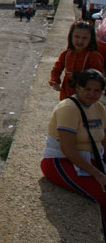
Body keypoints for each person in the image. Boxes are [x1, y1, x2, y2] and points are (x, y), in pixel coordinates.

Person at [41, 69, 106, 240]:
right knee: (102, 195)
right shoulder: (69, 108)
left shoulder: (99, 108)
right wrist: (98, 174)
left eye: (97, 91)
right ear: (78, 87)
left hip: (90, 157)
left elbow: (103, 139)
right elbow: (67, 149)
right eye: (87, 89)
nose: (92, 94)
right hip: (61, 161)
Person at [49, 20, 104, 100]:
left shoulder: (94, 56)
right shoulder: (66, 54)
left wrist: (78, 76)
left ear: (90, 39)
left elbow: (98, 77)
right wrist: (55, 81)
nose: (80, 41)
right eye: (77, 37)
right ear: (71, 36)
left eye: (85, 38)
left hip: (86, 97)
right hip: (66, 94)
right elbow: (56, 69)